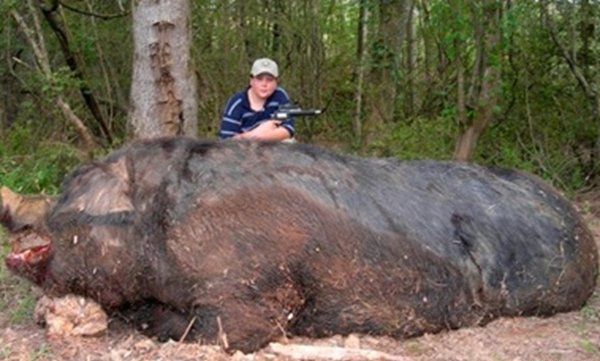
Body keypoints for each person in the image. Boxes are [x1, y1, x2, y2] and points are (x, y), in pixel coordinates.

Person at [218, 58, 295, 141]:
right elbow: (226, 141)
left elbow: (288, 130)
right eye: (259, 79)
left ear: (276, 82)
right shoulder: (236, 103)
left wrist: (263, 136)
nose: (264, 84)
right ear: (251, 81)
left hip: (274, 145)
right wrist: (255, 134)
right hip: (244, 149)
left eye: (269, 80)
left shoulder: (280, 96)